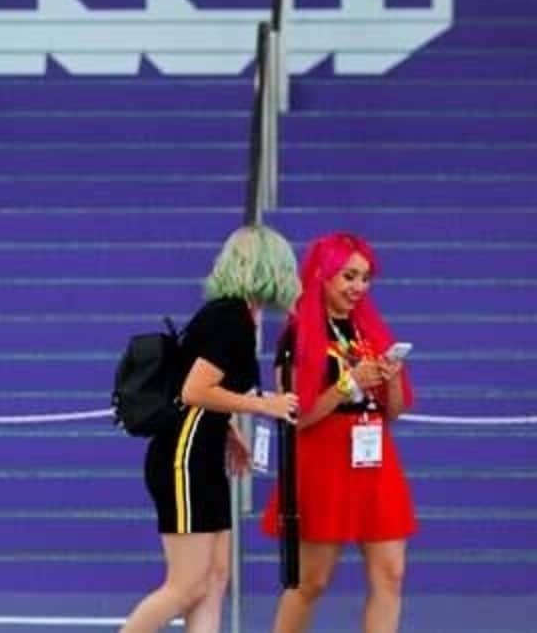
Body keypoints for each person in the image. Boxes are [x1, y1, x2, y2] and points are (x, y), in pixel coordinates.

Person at [120, 224, 302, 633]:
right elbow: (195, 390)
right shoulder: (230, 317)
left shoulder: (236, 315)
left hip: (201, 454)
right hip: (182, 457)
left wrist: (230, 432)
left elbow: (210, 390)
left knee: (214, 579)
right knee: (185, 585)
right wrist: (263, 405)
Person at [263, 231, 415, 633]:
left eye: (365, 278)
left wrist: (392, 378)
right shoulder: (298, 337)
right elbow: (296, 414)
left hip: (374, 458)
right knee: (311, 581)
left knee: (392, 574)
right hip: (323, 461)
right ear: (322, 275)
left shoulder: (368, 332)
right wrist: (348, 384)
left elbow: (394, 411)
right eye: (349, 276)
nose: (358, 287)